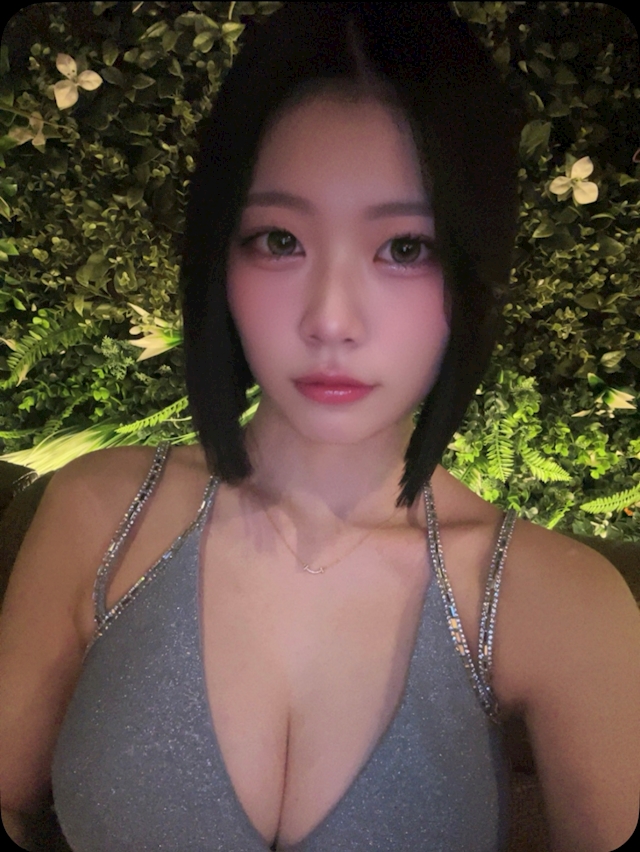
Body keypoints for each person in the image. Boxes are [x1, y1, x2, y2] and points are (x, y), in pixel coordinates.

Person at [1, 3, 638, 851]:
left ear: (472, 271)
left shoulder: (564, 604)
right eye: (279, 239)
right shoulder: (99, 512)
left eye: (404, 248)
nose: (331, 318)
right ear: (219, 255)